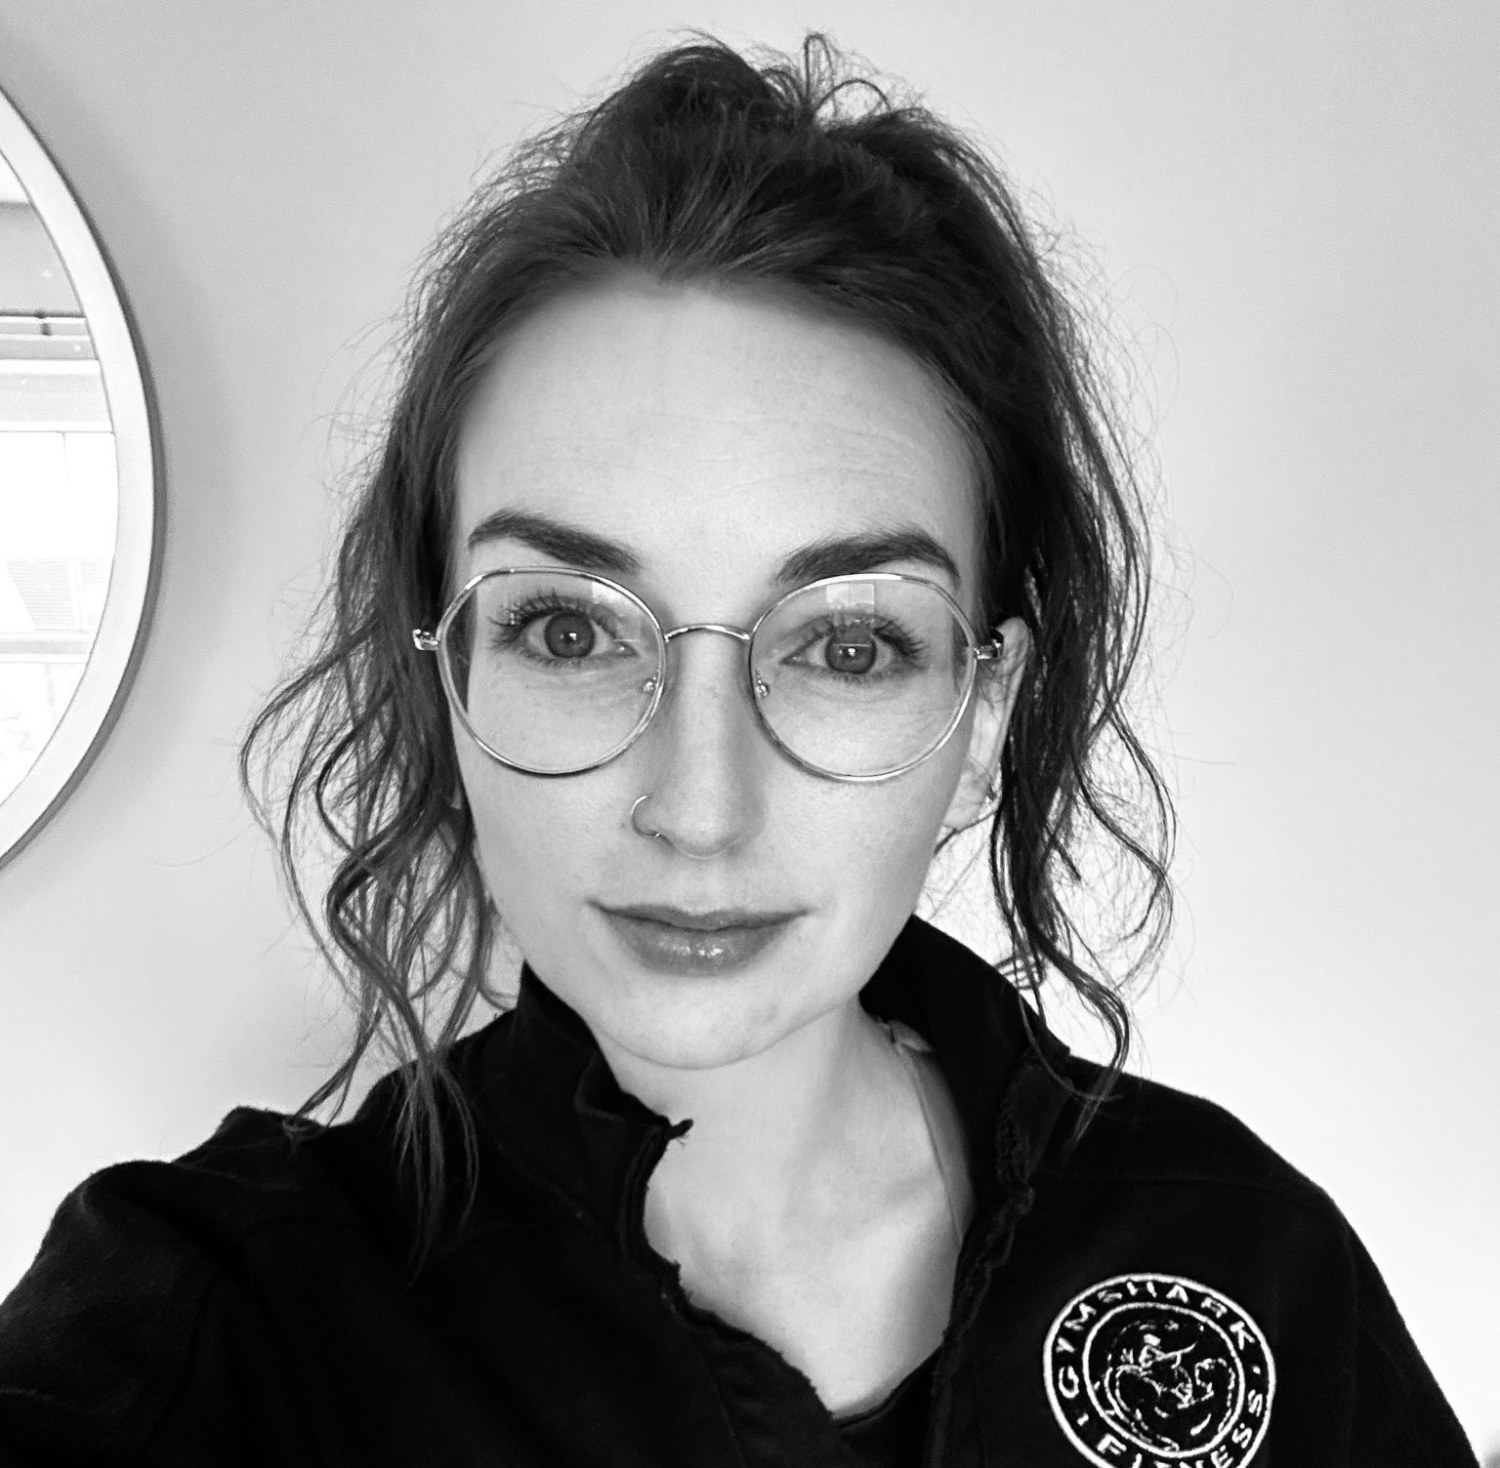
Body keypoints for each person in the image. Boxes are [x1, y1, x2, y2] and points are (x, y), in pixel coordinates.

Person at [0, 34, 1477, 1468]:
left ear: (985, 716)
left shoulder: (1246, 1254)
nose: (700, 810)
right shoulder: (217, 1324)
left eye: (850, 647)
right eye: (570, 630)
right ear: (448, 675)